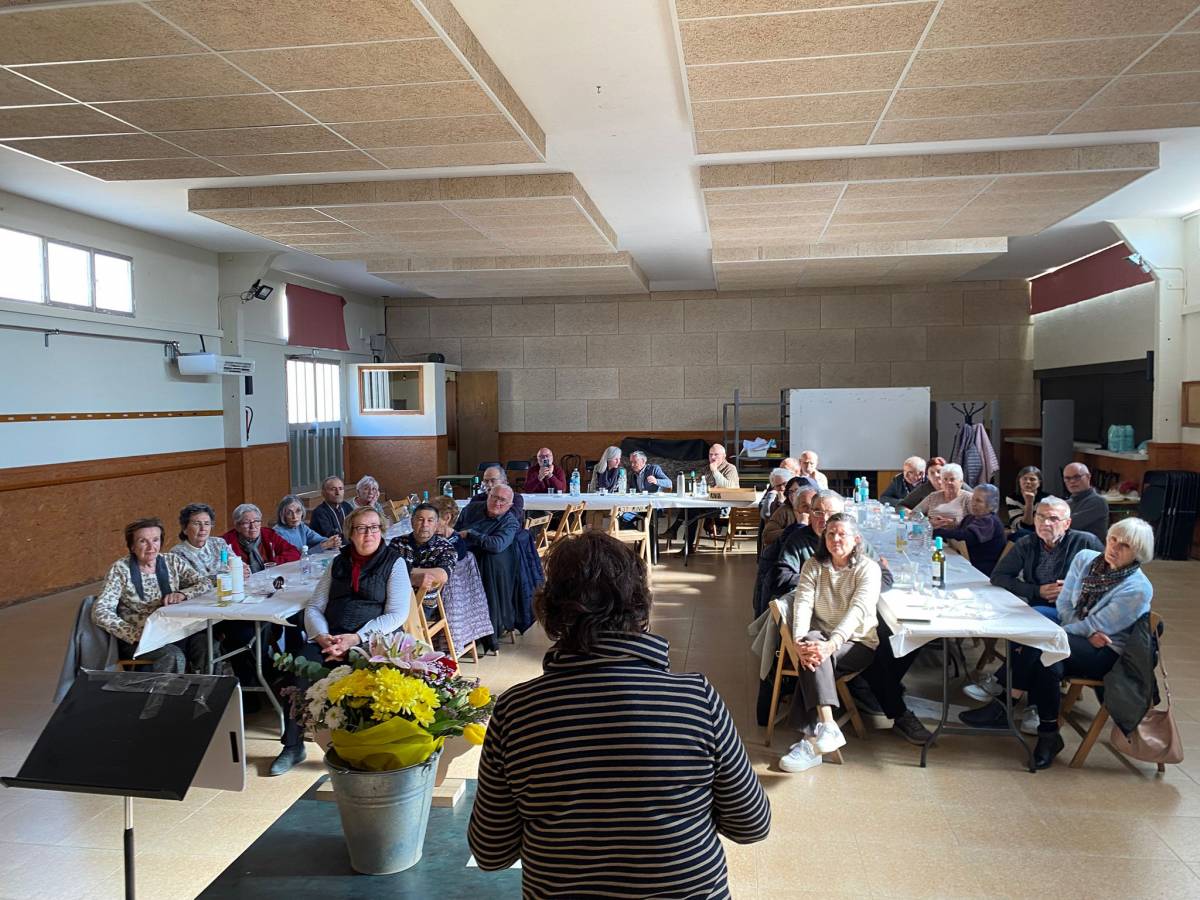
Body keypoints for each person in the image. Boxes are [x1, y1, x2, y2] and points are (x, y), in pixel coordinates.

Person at [468, 531, 770, 894]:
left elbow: (490, 852)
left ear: (550, 607)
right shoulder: (695, 700)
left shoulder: (517, 712)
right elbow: (752, 824)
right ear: (641, 604)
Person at [965, 518, 1154, 769]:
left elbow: (1098, 628)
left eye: (1125, 546)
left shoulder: (1138, 588)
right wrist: (1067, 631)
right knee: (1046, 660)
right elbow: (1065, 604)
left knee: (1041, 642)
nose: (1114, 547)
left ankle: (1006, 702)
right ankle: (1049, 735)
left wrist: (1058, 633)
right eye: (1112, 539)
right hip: (1078, 635)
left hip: (1106, 651)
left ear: (1139, 552)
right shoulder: (1086, 558)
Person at [271, 506, 412, 776]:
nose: (368, 533)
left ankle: (364, 746)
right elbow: (314, 606)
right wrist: (322, 637)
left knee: (368, 676)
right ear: (350, 533)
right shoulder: (338, 562)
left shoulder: (394, 563)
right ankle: (292, 745)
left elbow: (397, 614)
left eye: (373, 528)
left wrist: (355, 639)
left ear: (382, 531)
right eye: (361, 528)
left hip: (371, 640)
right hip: (330, 637)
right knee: (299, 667)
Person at [967, 496, 1104, 712]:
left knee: (1032, 627)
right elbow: (999, 576)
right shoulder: (1028, 543)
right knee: (1025, 622)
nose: (1045, 523)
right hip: (1039, 607)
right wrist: (1035, 590)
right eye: (1041, 517)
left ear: (1067, 524)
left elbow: (1105, 581)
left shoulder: (1086, 542)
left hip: (1076, 614)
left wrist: (1072, 589)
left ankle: (1010, 690)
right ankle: (1030, 705)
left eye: (1053, 518)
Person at [778, 513, 880, 772]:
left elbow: (857, 611)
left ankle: (811, 740)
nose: (835, 539)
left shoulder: (868, 569)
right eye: (830, 534)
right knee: (811, 647)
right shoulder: (814, 565)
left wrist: (831, 644)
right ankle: (827, 727)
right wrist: (799, 640)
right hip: (819, 639)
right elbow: (802, 604)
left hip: (857, 643)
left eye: (842, 534)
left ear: (856, 539)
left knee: (815, 656)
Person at [92, 517, 209, 673]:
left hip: (174, 631)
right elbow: (100, 612)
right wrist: (134, 634)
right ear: (132, 546)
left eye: (155, 540)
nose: (151, 547)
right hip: (140, 639)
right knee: (173, 656)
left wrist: (182, 594)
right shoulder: (120, 570)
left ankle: (204, 695)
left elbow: (205, 583)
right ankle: (166, 697)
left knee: (208, 645)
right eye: (142, 541)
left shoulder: (172, 561)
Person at [457, 484, 521, 651]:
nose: (497, 502)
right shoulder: (471, 509)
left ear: (510, 505)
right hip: (462, 561)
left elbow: (497, 545)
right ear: (488, 496)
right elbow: (456, 533)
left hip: (488, 569)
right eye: (494, 497)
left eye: (502, 500)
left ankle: (477, 634)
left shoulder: (510, 522)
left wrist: (471, 534)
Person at [933, 484, 1007, 576]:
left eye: (978, 501)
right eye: (973, 499)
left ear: (991, 505)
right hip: (966, 562)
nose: (973, 503)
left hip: (981, 570)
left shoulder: (989, 521)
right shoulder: (971, 517)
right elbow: (957, 533)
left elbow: (966, 537)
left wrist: (936, 532)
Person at [169, 502, 247, 586]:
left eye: (207, 523)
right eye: (197, 524)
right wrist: (229, 575)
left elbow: (236, 564)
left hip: (226, 592)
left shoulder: (219, 543)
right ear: (185, 528)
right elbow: (193, 582)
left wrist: (242, 569)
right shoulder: (177, 554)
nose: (203, 529)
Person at [680, 443, 739, 551]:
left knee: (691, 512)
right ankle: (687, 546)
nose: (712, 457)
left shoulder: (730, 468)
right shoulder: (706, 468)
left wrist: (715, 471)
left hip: (723, 507)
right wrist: (708, 487)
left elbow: (730, 487)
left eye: (716, 454)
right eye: (710, 454)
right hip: (706, 503)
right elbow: (697, 484)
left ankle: (685, 545)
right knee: (689, 509)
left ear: (724, 456)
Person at [390, 502, 457, 597]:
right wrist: (415, 577)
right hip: (396, 597)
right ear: (412, 522)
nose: (425, 524)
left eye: (430, 520)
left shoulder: (445, 547)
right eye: (420, 519)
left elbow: (442, 575)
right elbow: (387, 570)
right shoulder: (397, 543)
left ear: (436, 525)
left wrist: (404, 572)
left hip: (424, 602)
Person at [221, 503, 300, 571]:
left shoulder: (268, 535)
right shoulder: (226, 542)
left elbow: (294, 552)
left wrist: (272, 563)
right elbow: (218, 568)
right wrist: (236, 571)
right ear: (237, 526)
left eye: (256, 521)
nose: (253, 526)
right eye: (246, 522)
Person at [273, 495, 342, 553]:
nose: (294, 516)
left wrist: (333, 541)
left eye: (298, 511)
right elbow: (296, 557)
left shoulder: (301, 526)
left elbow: (319, 539)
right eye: (289, 513)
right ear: (282, 515)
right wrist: (325, 546)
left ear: (302, 512)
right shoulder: (278, 533)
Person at [761, 478, 817, 549]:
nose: (793, 495)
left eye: (797, 491)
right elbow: (766, 536)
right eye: (790, 492)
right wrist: (792, 529)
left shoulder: (817, 508)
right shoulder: (783, 510)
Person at [914, 461, 971, 527]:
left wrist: (956, 523)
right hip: (932, 535)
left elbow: (978, 521)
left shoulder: (968, 498)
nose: (948, 482)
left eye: (952, 479)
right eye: (945, 479)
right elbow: (914, 514)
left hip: (957, 536)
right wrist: (929, 522)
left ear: (961, 482)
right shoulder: (933, 496)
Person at [1064, 462, 1110, 542]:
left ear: (1088, 477)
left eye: (1077, 477)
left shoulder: (1098, 502)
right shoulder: (1067, 503)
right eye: (1067, 478)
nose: (1072, 481)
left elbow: (1067, 525)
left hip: (1090, 552)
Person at [1005, 466, 1047, 535]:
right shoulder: (1012, 498)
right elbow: (1022, 527)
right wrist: (1029, 503)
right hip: (1020, 533)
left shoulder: (1047, 499)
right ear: (1019, 481)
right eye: (1024, 479)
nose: (1028, 482)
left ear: (1039, 483)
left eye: (1032, 479)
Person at [430, 494, 470, 560]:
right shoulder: (433, 536)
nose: (427, 524)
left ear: (447, 518)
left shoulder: (456, 546)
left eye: (431, 519)